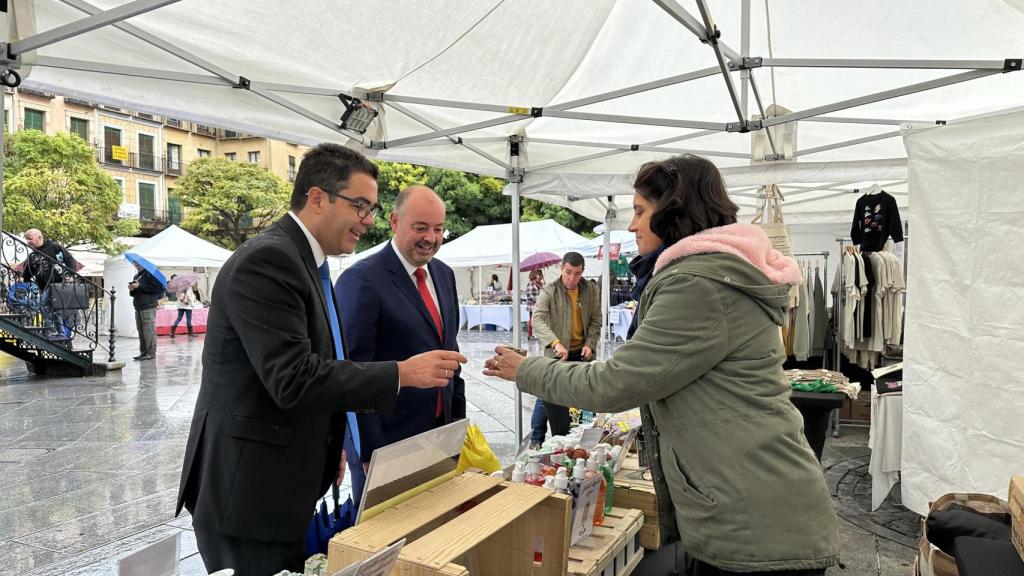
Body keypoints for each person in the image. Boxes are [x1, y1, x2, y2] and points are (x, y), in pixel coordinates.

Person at [484, 155, 839, 575]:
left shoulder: (698, 285)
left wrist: (527, 371)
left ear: (673, 213)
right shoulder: (708, 275)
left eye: (640, 211)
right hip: (753, 505)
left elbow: (616, 384)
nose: (632, 226)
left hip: (753, 522)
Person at [176, 143, 466, 575]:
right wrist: (402, 373)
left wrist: (331, 445)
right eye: (360, 206)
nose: (367, 221)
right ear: (317, 198)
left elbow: (324, 363)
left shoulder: (309, 263)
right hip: (248, 495)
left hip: (279, 486)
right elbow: (294, 378)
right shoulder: (269, 260)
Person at [337, 185, 465, 506]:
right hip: (387, 445)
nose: (431, 238)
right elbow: (351, 372)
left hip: (439, 437)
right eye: (420, 227)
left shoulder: (444, 275)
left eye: (438, 229)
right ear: (394, 222)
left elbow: (451, 354)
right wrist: (370, 450)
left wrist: (456, 428)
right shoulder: (361, 280)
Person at [527, 252, 601, 449]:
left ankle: (574, 438)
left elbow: (596, 320)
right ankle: (536, 439)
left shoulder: (590, 289)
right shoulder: (550, 290)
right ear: (561, 269)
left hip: (581, 353)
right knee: (547, 393)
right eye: (568, 272)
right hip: (557, 353)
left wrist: (590, 344)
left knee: (577, 394)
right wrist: (555, 342)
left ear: (582, 272)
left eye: (577, 274)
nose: (571, 278)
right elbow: (537, 319)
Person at [22, 229, 78, 338]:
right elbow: (27, 272)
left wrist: (70, 275)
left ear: (40, 237)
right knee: (55, 311)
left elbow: (70, 259)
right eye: (27, 239)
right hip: (44, 287)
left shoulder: (54, 247)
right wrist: (22, 278)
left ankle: (51, 327)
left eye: (30, 239)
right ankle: (60, 332)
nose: (28, 242)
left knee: (43, 305)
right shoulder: (33, 255)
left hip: (57, 284)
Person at [129, 261, 163, 360]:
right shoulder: (136, 276)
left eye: (139, 265)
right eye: (135, 265)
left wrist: (140, 286)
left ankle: (151, 353)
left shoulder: (151, 275)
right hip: (138, 305)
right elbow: (134, 294)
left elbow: (156, 289)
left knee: (149, 330)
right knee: (141, 331)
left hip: (149, 305)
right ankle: (143, 352)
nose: (137, 266)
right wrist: (132, 290)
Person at [525, 269, 545, 340]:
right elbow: (530, 296)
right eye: (537, 275)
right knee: (531, 320)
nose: (539, 277)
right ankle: (530, 335)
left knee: (537, 320)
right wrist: (538, 301)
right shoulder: (530, 284)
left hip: (536, 305)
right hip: (532, 306)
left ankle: (537, 335)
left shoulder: (536, 283)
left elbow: (541, 293)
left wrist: (541, 286)